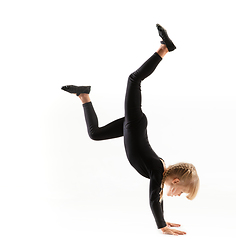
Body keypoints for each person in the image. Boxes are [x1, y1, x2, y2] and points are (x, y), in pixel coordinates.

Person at [61, 24, 200, 236]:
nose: (178, 195)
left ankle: (84, 95)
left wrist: (164, 221)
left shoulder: (160, 174)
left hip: (133, 127)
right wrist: (161, 226)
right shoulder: (157, 170)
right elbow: (154, 199)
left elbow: (159, 196)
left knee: (95, 134)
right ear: (176, 181)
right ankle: (164, 48)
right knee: (134, 79)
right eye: (181, 192)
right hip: (134, 124)